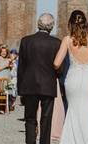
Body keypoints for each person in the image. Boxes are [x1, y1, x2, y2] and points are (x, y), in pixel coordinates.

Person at [54, 10, 88, 144]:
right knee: (87, 113)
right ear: (85, 23)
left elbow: (57, 63)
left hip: (73, 78)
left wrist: (60, 70)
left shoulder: (67, 40)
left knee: (73, 111)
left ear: (70, 23)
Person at [18, 13, 61, 144]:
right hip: (48, 86)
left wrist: (20, 89)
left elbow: (21, 67)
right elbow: (60, 68)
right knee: (46, 119)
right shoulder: (56, 43)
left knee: (30, 119)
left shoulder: (26, 41)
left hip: (29, 85)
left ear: (38, 24)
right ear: (52, 26)